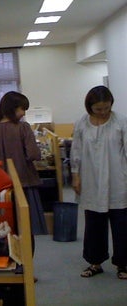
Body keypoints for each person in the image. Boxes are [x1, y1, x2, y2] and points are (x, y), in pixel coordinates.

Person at [71, 86, 127, 280]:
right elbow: (76, 151)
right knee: (94, 224)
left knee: (121, 224)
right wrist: (75, 175)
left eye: (106, 108)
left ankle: (123, 264)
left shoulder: (121, 122)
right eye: (98, 109)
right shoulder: (82, 124)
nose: (103, 112)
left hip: (117, 180)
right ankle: (95, 262)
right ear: (90, 107)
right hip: (91, 180)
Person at [0, 91, 47, 235]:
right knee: (26, 230)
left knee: (6, 229)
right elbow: (33, 154)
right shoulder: (22, 127)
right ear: (12, 108)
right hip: (23, 184)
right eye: (22, 109)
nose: (23, 113)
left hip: (1, 187)